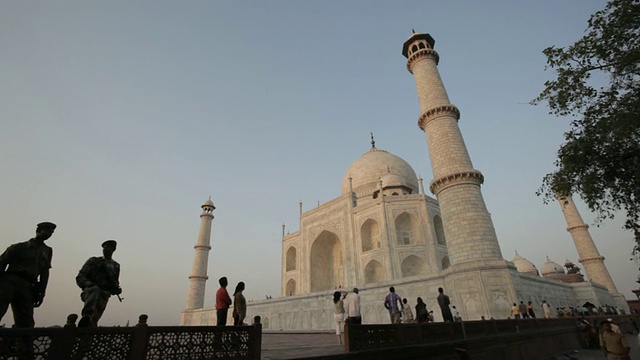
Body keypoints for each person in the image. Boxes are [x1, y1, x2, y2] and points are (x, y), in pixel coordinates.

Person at [0, 222, 56, 328]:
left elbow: (45, 272)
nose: (49, 234)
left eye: (52, 232)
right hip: (10, 280)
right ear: (38, 231)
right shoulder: (19, 247)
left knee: (26, 321)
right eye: (47, 230)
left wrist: (42, 292)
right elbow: (2, 263)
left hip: (27, 285)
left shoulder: (47, 251)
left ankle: (22, 344)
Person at [76, 240, 122, 326]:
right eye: (105, 248)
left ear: (113, 250)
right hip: (90, 290)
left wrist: (116, 289)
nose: (106, 250)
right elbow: (80, 276)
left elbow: (115, 282)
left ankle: (89, 330)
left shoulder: (115, 266)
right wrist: (89, 285)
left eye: (109, 248)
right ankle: (87, 316)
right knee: (94, 294)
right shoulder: (94, 261)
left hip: (104, 294)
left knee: (95, 318)